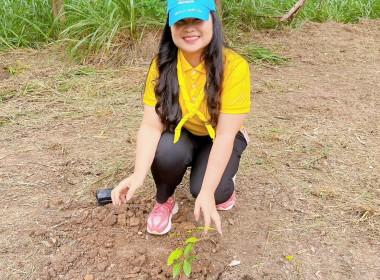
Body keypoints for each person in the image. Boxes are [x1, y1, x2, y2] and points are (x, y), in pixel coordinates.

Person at [111, 0, 251, 236]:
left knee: (214, 194)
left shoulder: (235, 67)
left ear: (212, 20)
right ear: (170, 27)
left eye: (197, 20)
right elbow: (150, 126)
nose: (189, 28)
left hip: (220, 135)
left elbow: (226, 135)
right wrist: (138, 173)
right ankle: (165, 199)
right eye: (180, 21)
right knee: (166, 150)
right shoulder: (162, 65)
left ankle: (222, 180)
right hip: (183, 130)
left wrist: (207, 191)